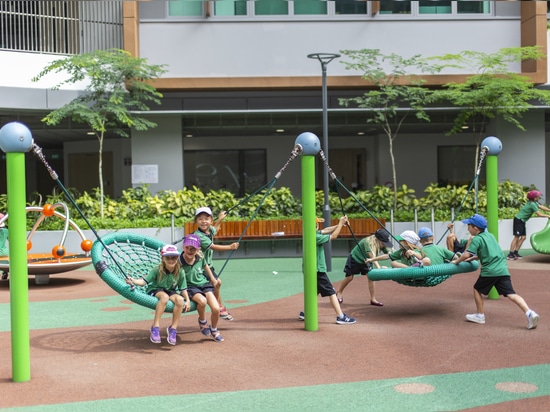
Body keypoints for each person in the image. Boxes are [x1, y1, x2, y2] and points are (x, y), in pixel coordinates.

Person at [454, 213, 540, 329]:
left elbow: (466, 254)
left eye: (468, 226)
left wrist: (457, 262)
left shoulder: (477, 239)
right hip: (502, 269)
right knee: (511, 294)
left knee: (477, 289)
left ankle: (480, 315)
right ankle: (530, 313)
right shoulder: (490, 236)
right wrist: (472, 258)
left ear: (475, 228)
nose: (467, 228)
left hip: (490, 271)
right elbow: (484, 254)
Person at [125, 244, 189, 345]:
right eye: (168, 258)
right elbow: (144, 282)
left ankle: (173, 329)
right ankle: (155, 327)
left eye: (174, 257)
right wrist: (133, 281)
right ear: (163, 258)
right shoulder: (157, 270)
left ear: (177, 258)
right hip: (155, 289)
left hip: (170, 290)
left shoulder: (180, 271)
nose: (171, 260)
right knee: (164, 297)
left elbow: (183, 288)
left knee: (180, 300)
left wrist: (188, 300)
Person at [299, 216, 356, 325]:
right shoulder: (314, 237)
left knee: (314, 291)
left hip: (311, 270)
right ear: (314, 226)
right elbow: (333, 236)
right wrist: (340, 223)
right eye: (317, 224)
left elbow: (325, 230)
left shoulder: (310, 234)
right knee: (331, 292)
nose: (319, 226)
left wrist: (341, 224)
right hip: (317, 270)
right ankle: (341, 316)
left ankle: (306, 312)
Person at [192, 206, 239, 321]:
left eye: (206, 219)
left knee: (216, 284)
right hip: (201, 266)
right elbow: (213, 246)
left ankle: (219, 306)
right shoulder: (199, 236)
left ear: (211, 221)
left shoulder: (209, 230)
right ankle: (219, 307)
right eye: (200, 219)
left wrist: (220, 219)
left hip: (208, 264)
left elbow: (215, 230)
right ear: (196, 221)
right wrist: (230, 247)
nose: (203, 221)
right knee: (216, 283)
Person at [179, 233, 224, 342]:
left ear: (198, 249)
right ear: (183, 247)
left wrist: (212, 279)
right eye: (187, 248)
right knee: (202, 301)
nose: (189, 251)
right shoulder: (179, 261)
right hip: (191, 287)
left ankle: (214, 329)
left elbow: (205, 265)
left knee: (216, 308)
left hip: (204, 284)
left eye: (193, 249)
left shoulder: (199, 257)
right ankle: (203, 322)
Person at [336, 228, 393, 307]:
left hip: (367, 261)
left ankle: (373, 299)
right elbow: (372, 257)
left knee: (371, 277)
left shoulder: (382, 243)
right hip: (356, 258)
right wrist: (379, 268)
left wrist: (392, 254)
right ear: (377, 239)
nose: (384, 243)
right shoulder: (367, 242)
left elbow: (389, 253)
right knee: (349, 277)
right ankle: (339, 292)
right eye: (383, 241)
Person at [507, 190, 550, 260]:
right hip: (519, 220)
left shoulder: (534, 202)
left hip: (522, 221)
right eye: (537, 196)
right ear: (534, 197)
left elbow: (541, 207)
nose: (538, 197)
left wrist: (549, 210)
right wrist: (548, 216)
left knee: (523, 237)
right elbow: (539, 214)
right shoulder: (532, 204)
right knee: (516, 237)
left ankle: (515, 252)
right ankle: (510, 254)